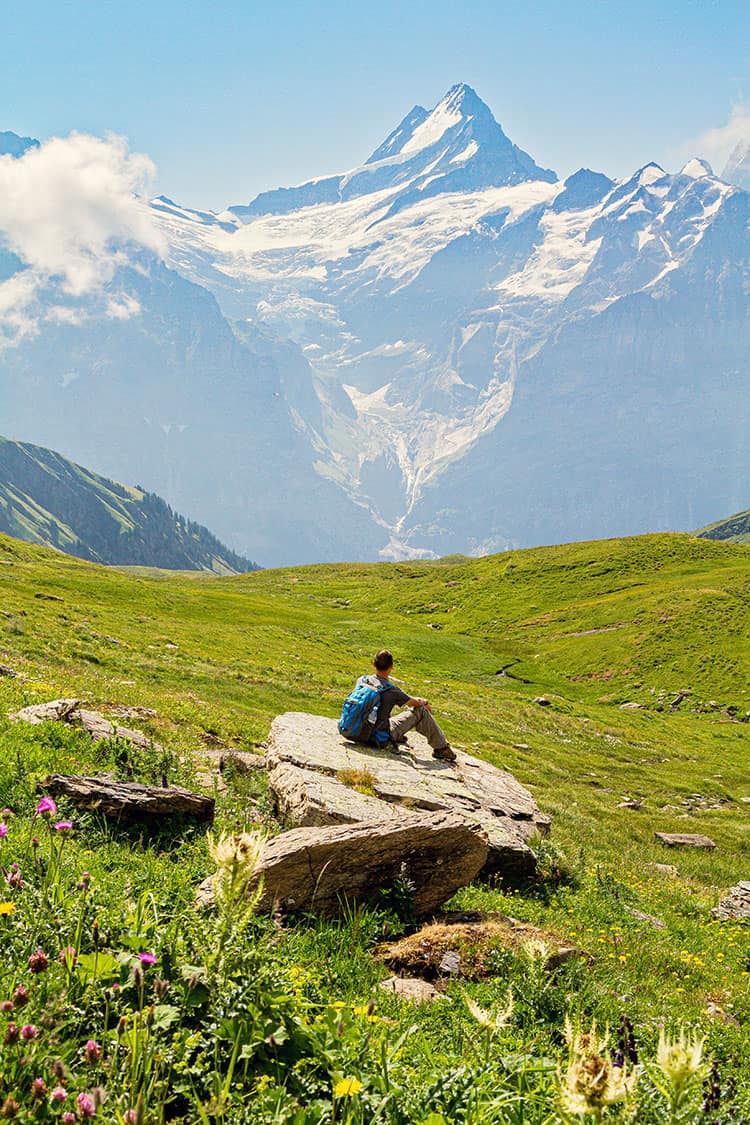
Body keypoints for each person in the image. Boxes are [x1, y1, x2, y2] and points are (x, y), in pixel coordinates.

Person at [355, 649, 457, 762]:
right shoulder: (391, 690)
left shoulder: (362, 680)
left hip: (356, 730)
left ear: (374, 664)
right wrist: (425, 702)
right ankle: (442, 748)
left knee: (388, 718)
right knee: (420, 710)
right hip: (376, 738)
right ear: (391, 666)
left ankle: (396, 734)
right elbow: (416, 703)